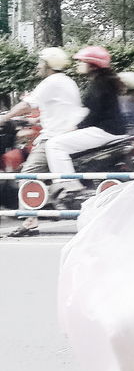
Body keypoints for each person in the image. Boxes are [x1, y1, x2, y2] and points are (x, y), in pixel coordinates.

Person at [1, 48, 85, 238]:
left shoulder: (51, 82)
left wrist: (6, 117)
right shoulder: (67, 81)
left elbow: (27, 104)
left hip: (53, 137)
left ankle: (30, 222)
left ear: (48, 65)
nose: (38, 66)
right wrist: (36, 121)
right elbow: (59, 109)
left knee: (28, 173)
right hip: (64, 132)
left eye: (41, 62)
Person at [45, 46, 128, 204]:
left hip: (104, 131)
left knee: (54, 145)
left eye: (82, 61)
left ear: (92, 64)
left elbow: (93, 114)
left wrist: (74, 128)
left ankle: (68, 186)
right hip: (112, 130)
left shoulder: (98, 85)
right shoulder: (104, 82)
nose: (78, 64)